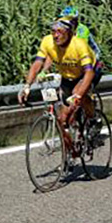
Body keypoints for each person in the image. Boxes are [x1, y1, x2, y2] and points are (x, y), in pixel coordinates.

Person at [19, 16, 98, 158]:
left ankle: (92, 119)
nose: (55, 35)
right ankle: (70, 151)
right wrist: (27, 86)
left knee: (77, 95)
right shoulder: (47, 42)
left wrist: (78, 95)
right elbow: (37, 64)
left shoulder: (79, 45)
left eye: (60, 32)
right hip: (67, 76)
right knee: (62, 119)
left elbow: (89, 72)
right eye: (53, 31)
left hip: (86, 74)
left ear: (69, 33)